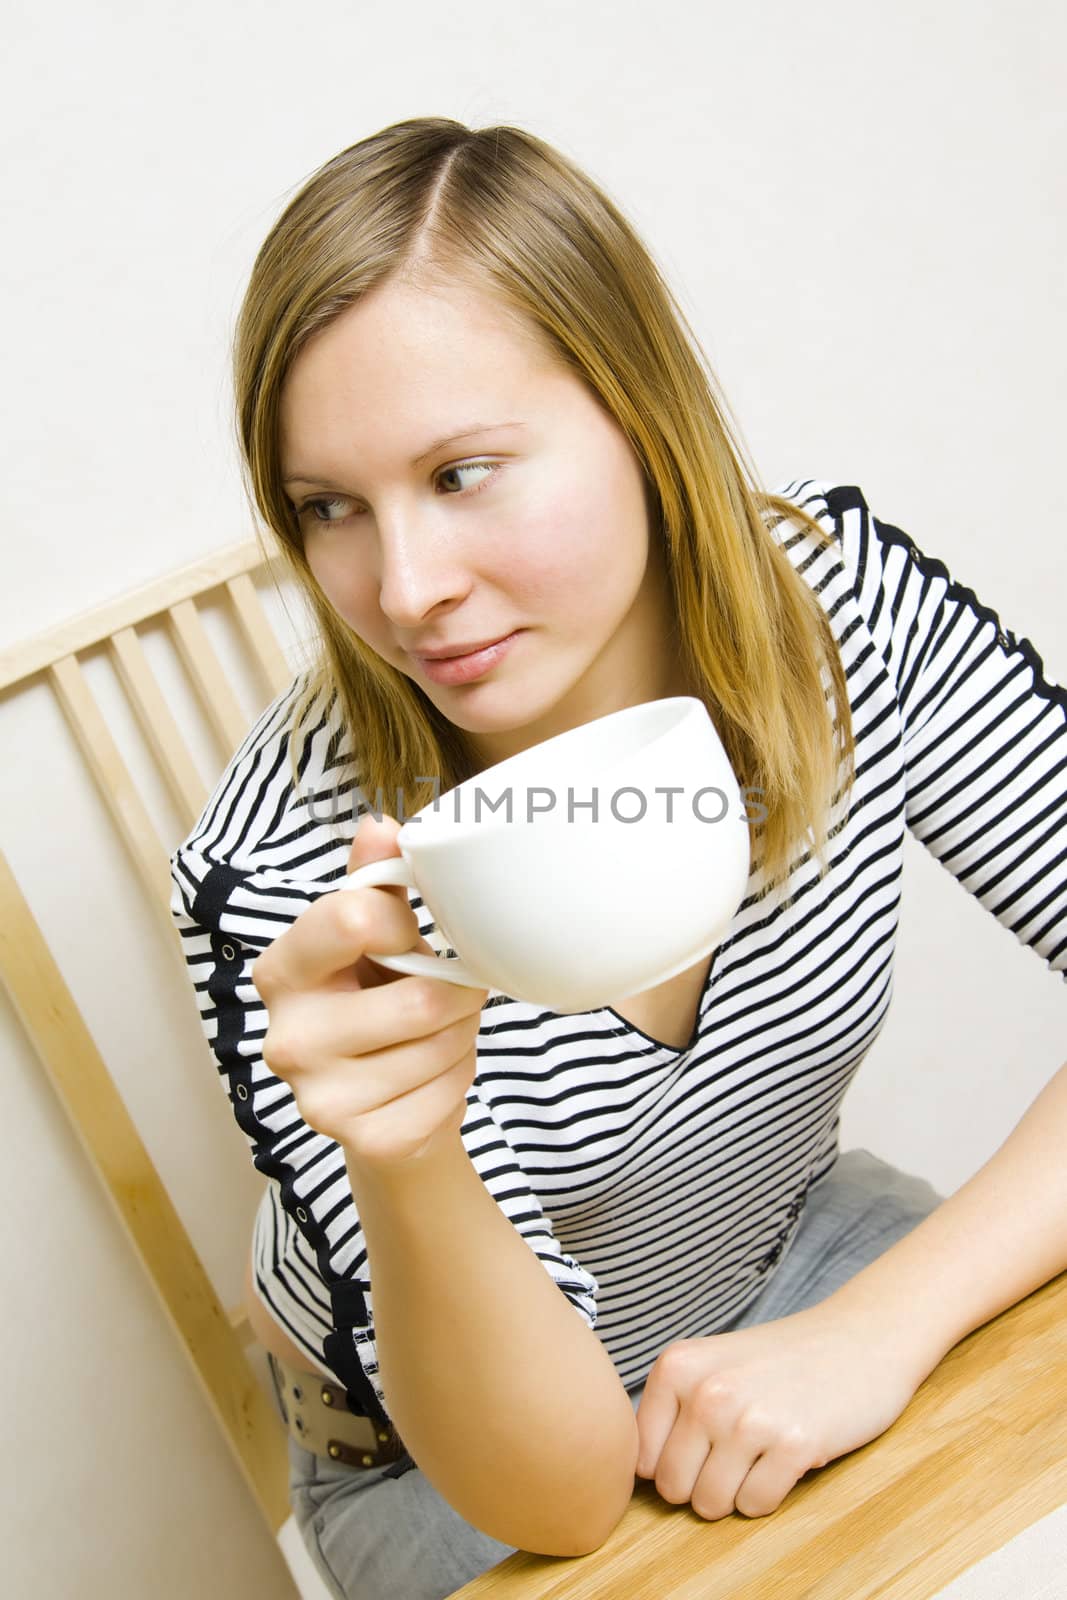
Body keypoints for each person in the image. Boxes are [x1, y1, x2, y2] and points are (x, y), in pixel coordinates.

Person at [169, 117, 1067, 1600]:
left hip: (800, 1262)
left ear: (641, 415)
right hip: (450, 1451)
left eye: (462, 473)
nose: (403, 591)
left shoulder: (837, 620)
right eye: (330, 508)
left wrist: (876, 1326)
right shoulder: (287, 869)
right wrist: (407, 1164)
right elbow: (563, 1496)